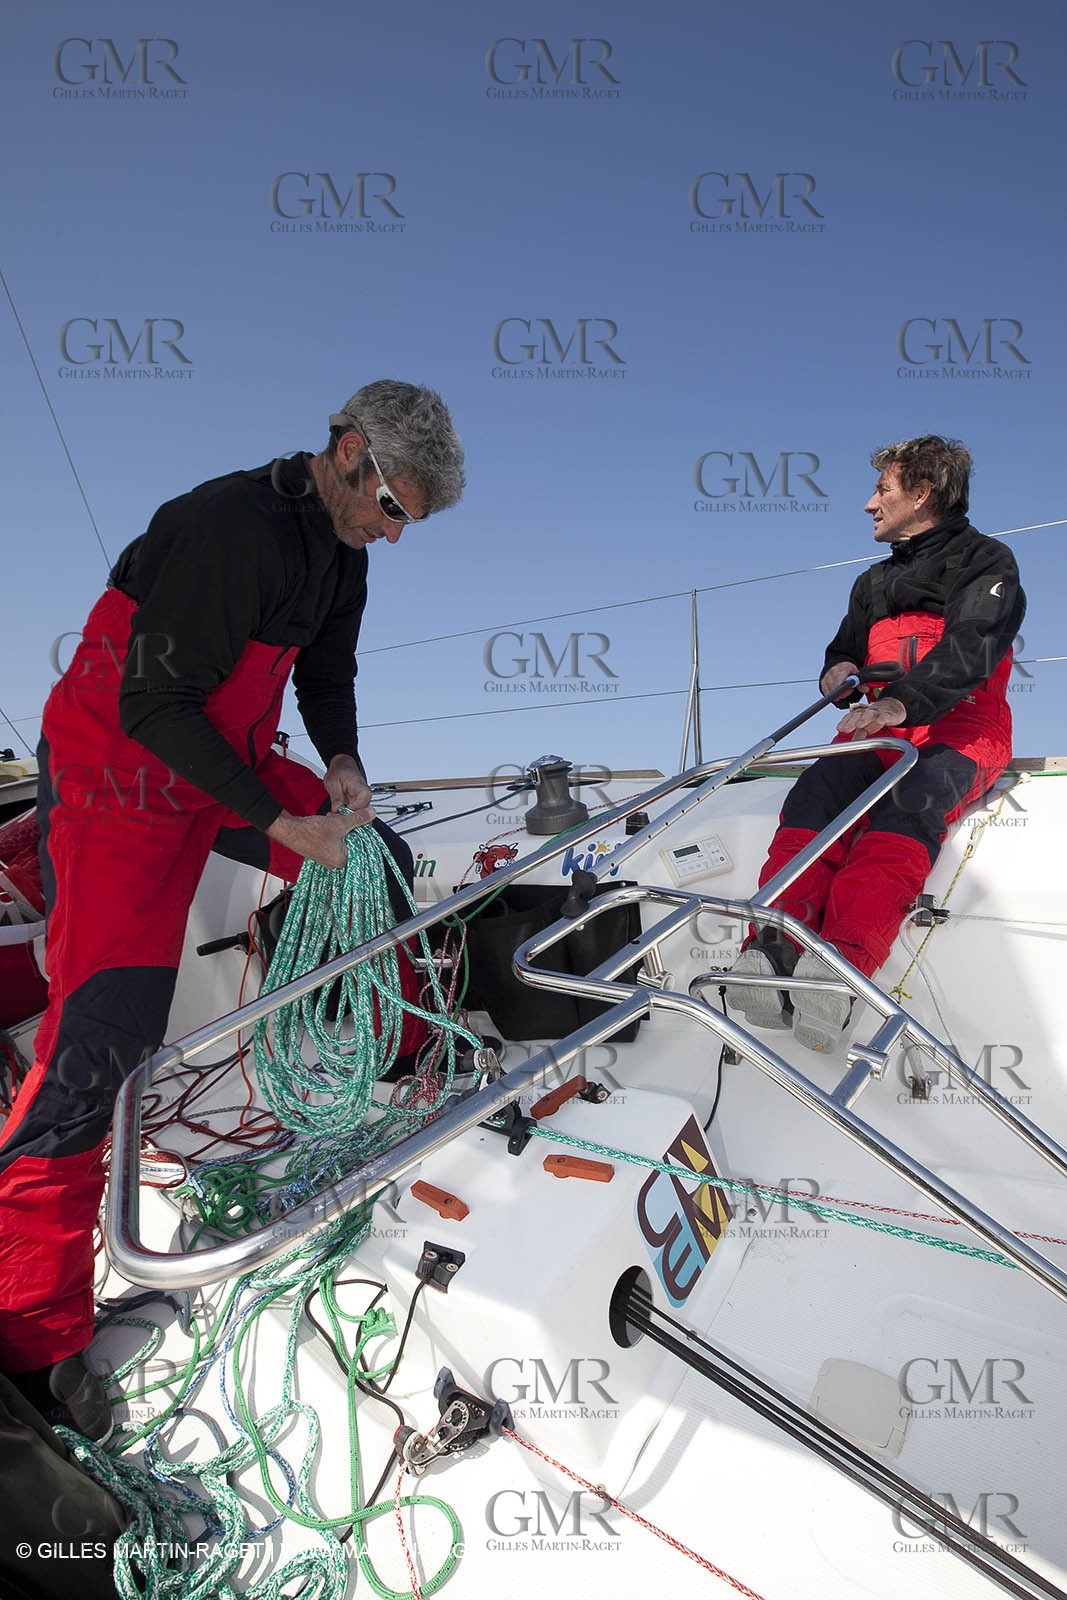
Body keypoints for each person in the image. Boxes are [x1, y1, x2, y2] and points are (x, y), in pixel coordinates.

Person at [0, 379, 464, 1434]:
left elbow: (327, 672)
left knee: (375, 856)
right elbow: (152, 703)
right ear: (347, 451)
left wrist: (340, 764)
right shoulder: (226, 525)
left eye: (411, 522)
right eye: (393, 506)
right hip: (122, 778)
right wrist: (279, 820)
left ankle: (396, 1058)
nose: (394, 535)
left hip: (221, 763)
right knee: (102, 1037)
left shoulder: (340, 553)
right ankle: (30, 1335)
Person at [727, 435, 1025, 1053]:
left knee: (905, 809)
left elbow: (972, 647)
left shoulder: (986, 561)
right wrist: (836, 674)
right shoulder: (872, 582)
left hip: (964, 729)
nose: (869, 504)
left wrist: (901, 702)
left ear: (921, 494)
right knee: (813, 797)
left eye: (882, 489)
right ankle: (774, 947)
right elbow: (844, 648)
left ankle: (841, 966)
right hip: (881, 728)